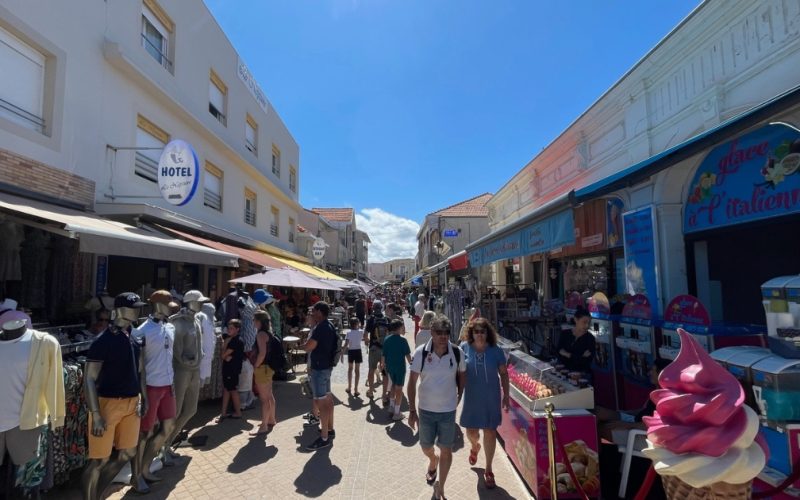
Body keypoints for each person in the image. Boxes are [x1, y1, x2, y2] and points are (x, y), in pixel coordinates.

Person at [407, 315, 466, 500]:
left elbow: (462, 375)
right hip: (425, 410)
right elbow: (412, 382)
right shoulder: (421, 353)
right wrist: (411, 410)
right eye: (439, 332)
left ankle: (441, 485)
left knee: (446, 448)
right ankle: (433, 460)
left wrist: (459, 395)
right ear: (431, 332)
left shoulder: (457, 353)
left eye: (446, 332)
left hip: (448, 411)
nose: (442, 336)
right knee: (426, 446)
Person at [459, 318, 510, 490]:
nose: (480, 334)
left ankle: (488, 469)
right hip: (472, 397)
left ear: (488, 333)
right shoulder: (464, 348)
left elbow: (503, 374)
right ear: (471, 333)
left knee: (490, 431)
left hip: (491, 397)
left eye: (483, 331)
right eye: (476, 331)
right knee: (471, 432)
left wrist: (506, 395)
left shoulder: (496, 351)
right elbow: (456, 372)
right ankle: (475, 446)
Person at [300, 302, 338, 450]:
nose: (312, 313)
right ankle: (329, 430)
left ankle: (324, 437)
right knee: (327, 400)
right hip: (326, 368)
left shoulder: (321, 327)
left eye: (314, 311)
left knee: (322, 403)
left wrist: (301, 346)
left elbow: (309, 346)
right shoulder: (329, 325)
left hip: (319, 369)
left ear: (320, 312)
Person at [251, 311, 277, 435]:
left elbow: (262, 353)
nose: (253, 322)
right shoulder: (268, 333)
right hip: (268, 368)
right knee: (269, 395)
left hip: (262, 368)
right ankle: (271, 419)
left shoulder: (261, 334)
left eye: (254, 320)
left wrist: (255, 365)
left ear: (259, 321)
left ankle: (264, 426)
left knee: (264, 399)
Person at [381, 318, 412, 421]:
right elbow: (407, 355)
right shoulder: (403, 340)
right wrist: (412, 364)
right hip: (400, 367)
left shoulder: (387, 339)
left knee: (393, 386)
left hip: (390, 367)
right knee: (399, 388)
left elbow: (384, 354)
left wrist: (382, 364)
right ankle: (397, 412)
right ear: (399, 328)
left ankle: (391, 406)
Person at [557, 306, 596, 376]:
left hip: (581, 375)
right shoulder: (565, 334)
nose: (587, 325)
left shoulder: (590, 339)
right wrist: (579, 356)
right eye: (584, 322)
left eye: (589, 323)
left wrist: (567, 354)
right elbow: (558, 352)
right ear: (576, 320)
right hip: (563, 372)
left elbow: (585, 361)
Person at [217, 319, 244, 423]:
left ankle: (238, 412)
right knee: (227, 390)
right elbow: (225, 357)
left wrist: (225, 343)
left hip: (231, 370)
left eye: (232, 328)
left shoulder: (235, 341)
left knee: (232, 390)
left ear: (237, 329)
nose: (229, 330)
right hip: (230, 369)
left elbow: (223, 355)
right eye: (228, 328)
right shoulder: (235, 339)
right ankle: (223, 413)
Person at [364, 301, 390, 402]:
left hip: (374, 348)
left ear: (373, 308)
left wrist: (367, 343)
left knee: (371, 369)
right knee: (384, 372)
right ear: (382, 308)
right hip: (384, 350)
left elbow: (365, 335)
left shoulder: (371, 319)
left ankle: (370, 391)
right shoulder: (386, 319)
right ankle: (384, 395)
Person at [345, 317, 364, 396]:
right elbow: (363, 338)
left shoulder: (348, 333)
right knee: (357, 370)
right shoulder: (361, 332)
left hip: (351, 351)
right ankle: (356, 389)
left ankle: (349, 387)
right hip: (358, 351)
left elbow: (346, 344)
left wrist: (342, 351)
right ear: (357, 324)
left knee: (350, 369)